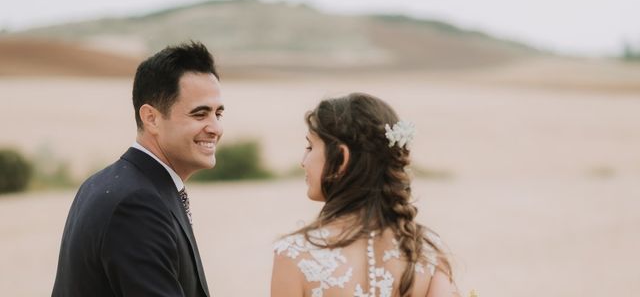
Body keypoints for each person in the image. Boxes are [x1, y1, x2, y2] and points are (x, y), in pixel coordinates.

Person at [52, 41, 224, 297]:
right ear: (151, 118)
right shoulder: (137, 205)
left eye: (218, 114)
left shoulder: (104, 183)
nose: (215, 128)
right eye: (199, 114)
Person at [271, 93, 460, 297]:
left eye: (310, 146)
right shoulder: (426, 250)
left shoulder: (295, 254)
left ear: (341, 157)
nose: (303, 160)